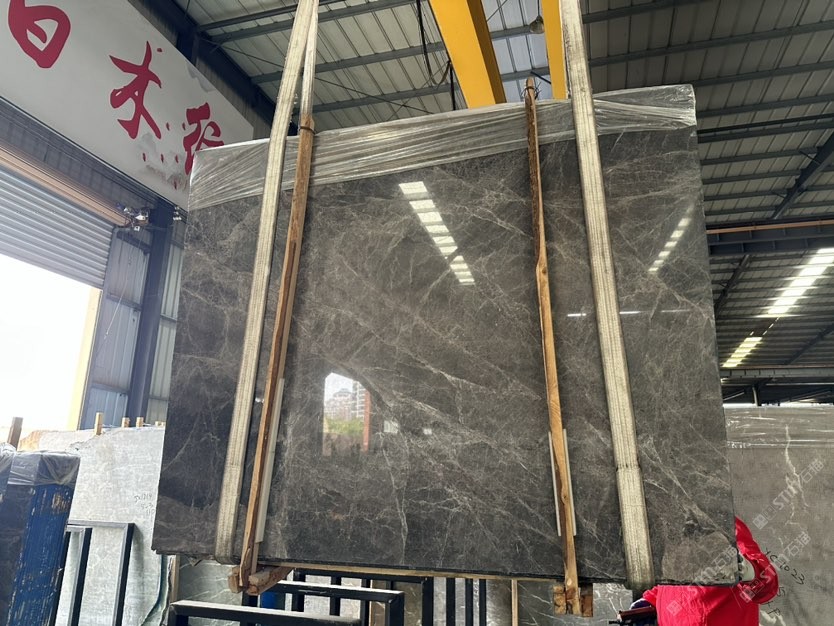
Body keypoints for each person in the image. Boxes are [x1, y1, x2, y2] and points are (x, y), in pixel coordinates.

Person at [631, 517, 778, 625]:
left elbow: (767, 580)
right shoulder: (671, 528)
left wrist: (749, 571)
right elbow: (673, 580)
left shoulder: (724, 525)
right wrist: (650, 601)